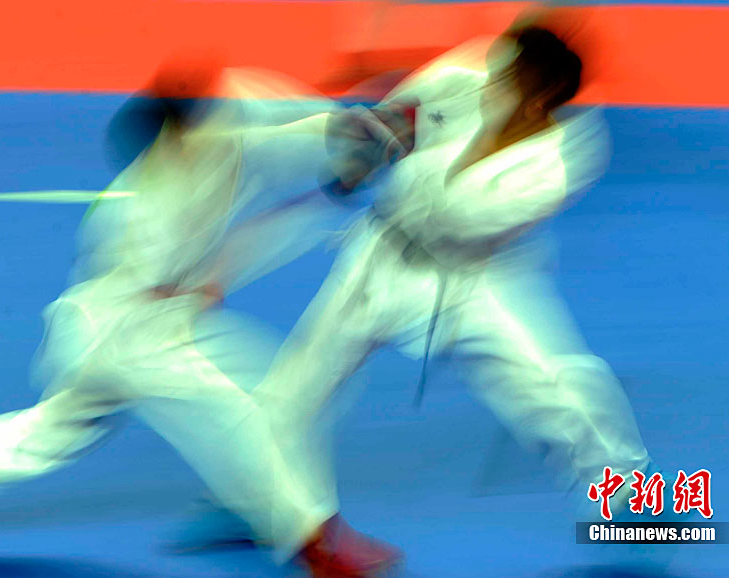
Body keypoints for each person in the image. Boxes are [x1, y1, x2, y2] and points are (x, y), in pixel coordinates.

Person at [0, 61, 404, 576]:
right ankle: (314, 543)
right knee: (257, 410)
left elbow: (290, 129)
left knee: (42, 436)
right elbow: (218, 263)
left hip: (96, 328)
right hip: (138, 335)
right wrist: (337, 181)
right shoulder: (154, 201)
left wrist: (351, 129)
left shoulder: (224, 121)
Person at [250, 23, 653, 526]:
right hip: (380, 256)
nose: (495, 79)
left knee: (555, 383)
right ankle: (256, 497)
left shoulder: (564, 160)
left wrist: (403, 158)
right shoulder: (470, 73)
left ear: (540, 98)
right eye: (504, 68)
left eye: (513, 77)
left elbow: (459, 219)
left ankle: (628, 498)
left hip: (472, 279)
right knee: (294, 386)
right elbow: (397, 115)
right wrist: (365, 149)